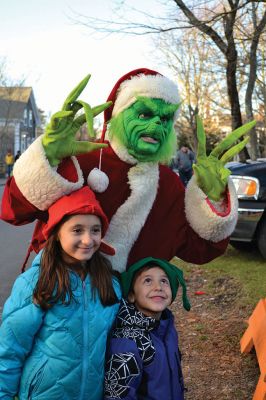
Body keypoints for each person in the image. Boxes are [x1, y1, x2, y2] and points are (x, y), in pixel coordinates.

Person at [1, 69, 254, 273]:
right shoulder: (83, 161)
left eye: (165, 119)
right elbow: (13, 211)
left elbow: (200, 250)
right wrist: (49, 156)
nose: (157, 124)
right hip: (62, 310)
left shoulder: (168, 184)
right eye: (144, 114)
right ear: (118, 115)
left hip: (130, 322)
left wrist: (214, 199)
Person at [0, 186, 121, 399]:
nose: (88, 239)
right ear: (56, 234)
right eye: (77, 230)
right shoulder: (35, 283)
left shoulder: (109, 282)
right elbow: (10, 349)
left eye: (95, 230)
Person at [104, 257, 190, 400]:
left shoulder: (167, 329)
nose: (158, 287)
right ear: (131, 295)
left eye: (164, 281)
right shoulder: (127, 342)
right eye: (148, 281)